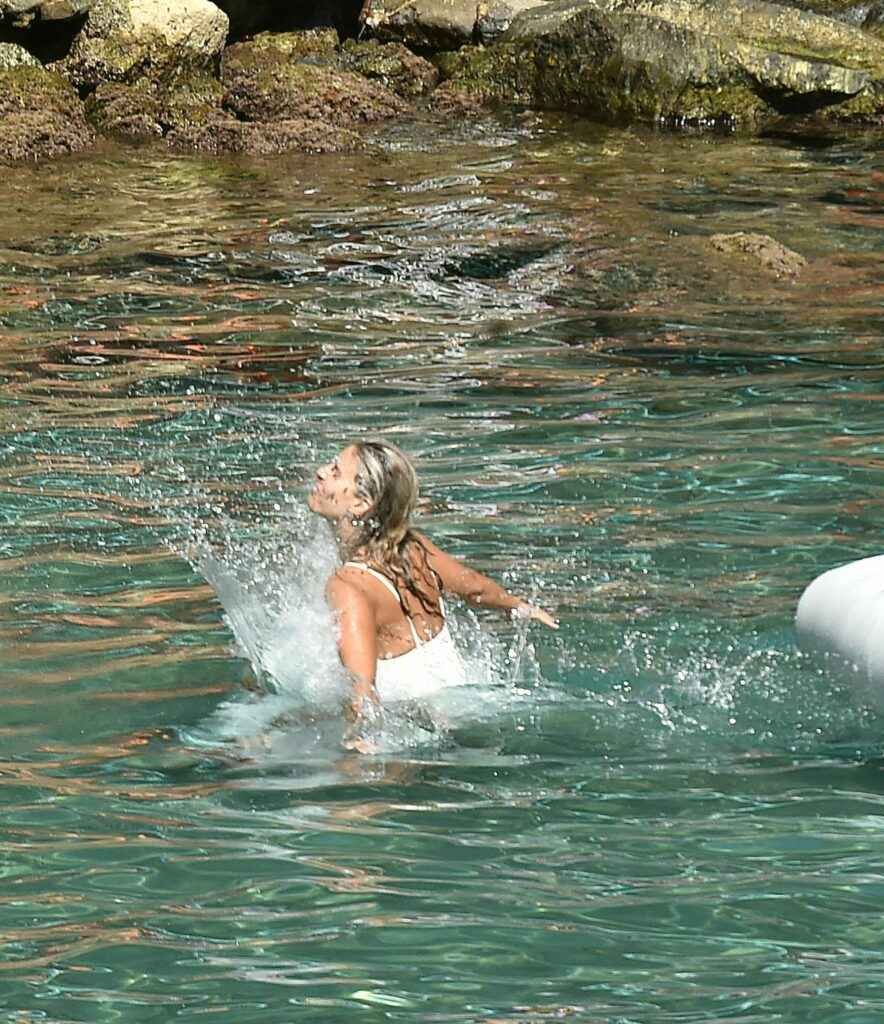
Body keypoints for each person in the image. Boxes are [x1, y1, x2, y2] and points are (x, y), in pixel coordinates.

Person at [307, 440, 557, 741]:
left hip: (417, 727)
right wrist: (519, 605)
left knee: (270, 731)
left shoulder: (347, 585)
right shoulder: (411, 548)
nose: (321, 472)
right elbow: (474, 587)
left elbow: (361, 689)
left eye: (335, 472)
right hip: (466, 705)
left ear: (361, 503)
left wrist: (355, 758)